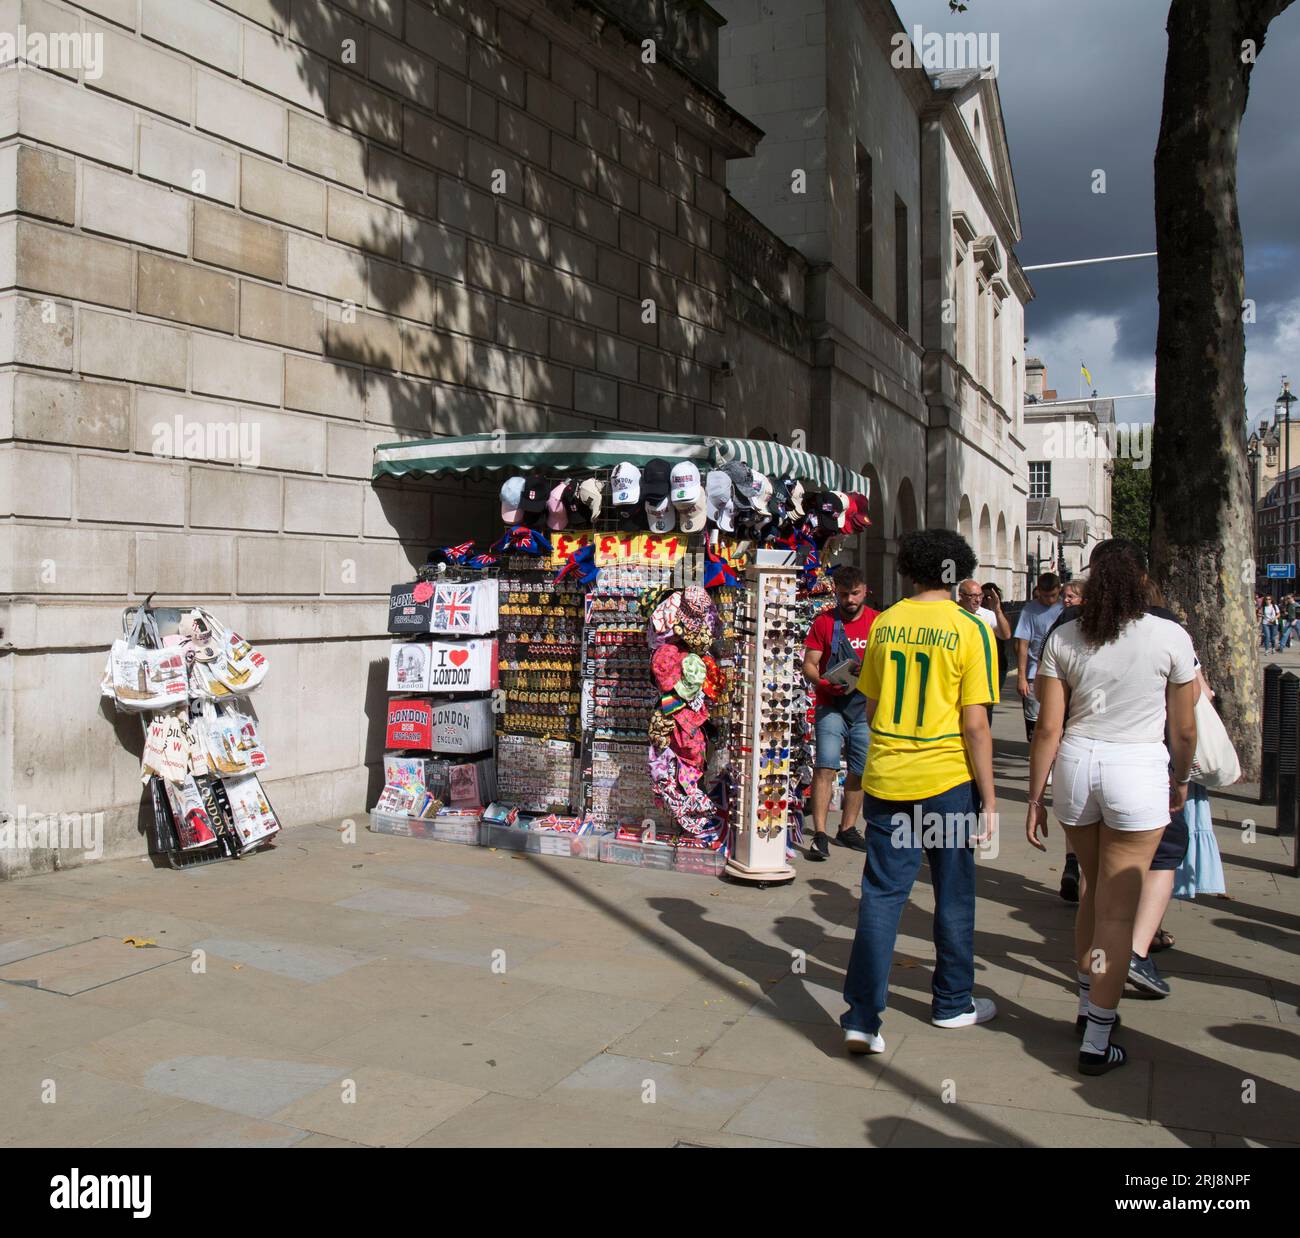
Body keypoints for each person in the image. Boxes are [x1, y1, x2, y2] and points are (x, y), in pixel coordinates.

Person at [1025, 542, 1198, 1075]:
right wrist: (1182, 777)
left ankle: (1084, 1005)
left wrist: (1034, 796)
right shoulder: (1169, 635)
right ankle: (1098, 1037)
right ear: (1143, 579)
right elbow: (1185, 728)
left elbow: (1048, 727)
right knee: (1120, 910)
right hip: (1139, 768)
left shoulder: (1065, 634)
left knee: (1092, 896)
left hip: (1079, 766)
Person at [841, 529, 999, 1055]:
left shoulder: (885, 624)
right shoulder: (969, 629)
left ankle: (862, 1018)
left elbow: (868, 704)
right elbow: (976, 723)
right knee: (953, 892)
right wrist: (991, 797)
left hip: (889, 780)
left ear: (909, 569)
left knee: (882, 897)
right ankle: (953, 1001)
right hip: (948, 781)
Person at [802, 565, 880, 860]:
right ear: (836, 592)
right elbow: (810, 662)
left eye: (855, 593)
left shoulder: (877, 622)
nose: (850, 600)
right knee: (825, 766)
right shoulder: (824, 622)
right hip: (830, 705)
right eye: (845, 594)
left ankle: (847, 828)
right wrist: (821, 682)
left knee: (859, 771)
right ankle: (820, 833)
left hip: (865, 707)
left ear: (865, 591)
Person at [1014, 574, 1063, 750]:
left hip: (1060, 671)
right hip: (1035, 671)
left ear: (1059, 590)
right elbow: (1023, 645)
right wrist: (1021, 677)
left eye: (1053, 595)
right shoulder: (1029, 610)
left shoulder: (1065, 607)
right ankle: (1036, 750)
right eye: (1044, 596)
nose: (1049, 600)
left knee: (1058, 716)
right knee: (1034, 715)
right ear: (1038, 592)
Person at [957, 579, 1010, 723]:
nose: (978, 600)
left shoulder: (988, 614)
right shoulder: (954, 613)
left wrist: (997, 610)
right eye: (972, 596)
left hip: (983, 668)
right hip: (960, 667)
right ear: (961, 595)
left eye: (980, 596)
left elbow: (1005, 635)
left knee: (983, 706)